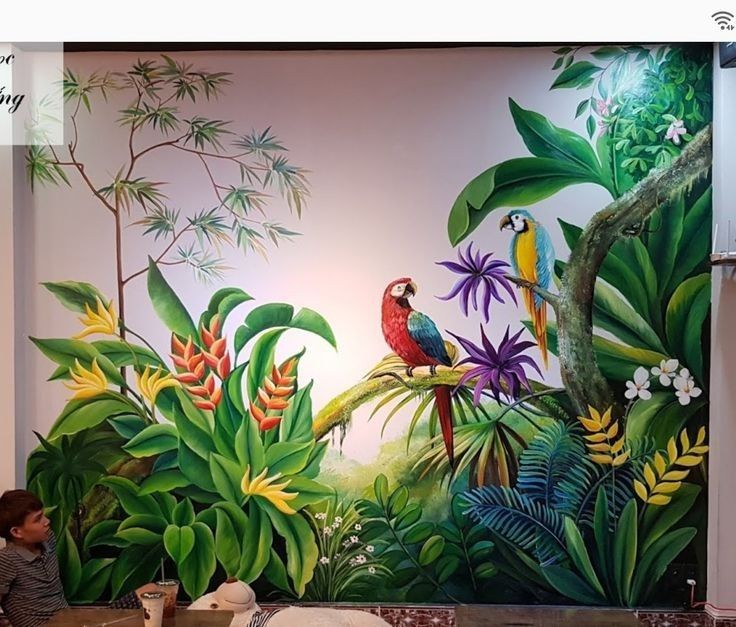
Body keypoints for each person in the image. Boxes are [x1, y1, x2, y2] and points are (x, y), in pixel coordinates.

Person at [0, 490, 68, 627]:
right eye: (38, 519)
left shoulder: (49, 540)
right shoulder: (7, 560)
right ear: (16, 532)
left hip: (70, 619)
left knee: (123, 607)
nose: (47, 521)